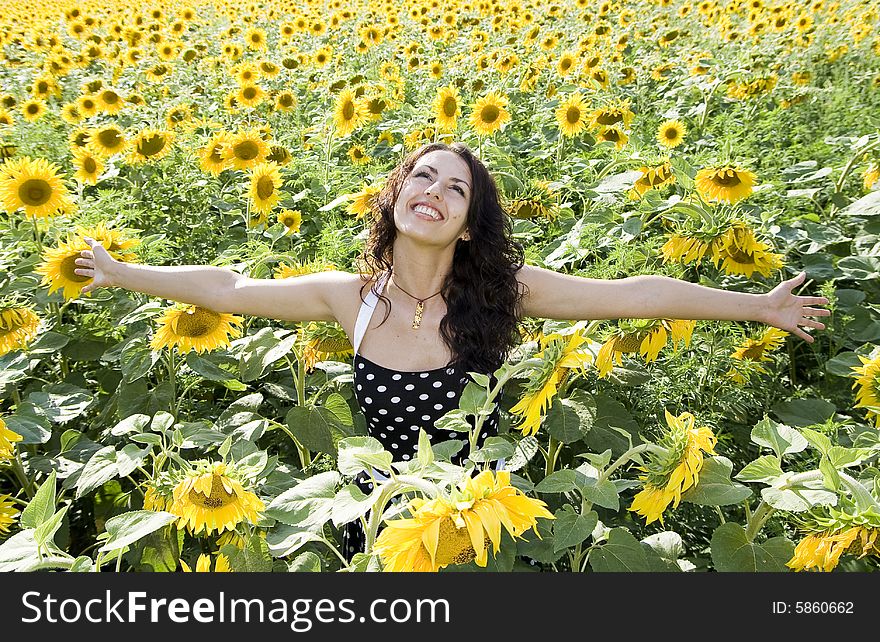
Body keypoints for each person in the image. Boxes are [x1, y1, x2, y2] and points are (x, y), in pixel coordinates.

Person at [74, 141, 830, 560]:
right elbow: (231, 287)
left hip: (488, 518)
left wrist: (755, 307)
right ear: (397, 199)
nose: (432, 189)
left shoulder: (507, 292)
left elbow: (637, 293)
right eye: (421, 175)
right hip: (392, 518)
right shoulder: (352, 299)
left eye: (456, 188)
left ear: (468, 224)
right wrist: (121, 272)